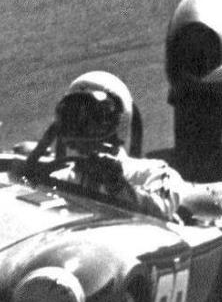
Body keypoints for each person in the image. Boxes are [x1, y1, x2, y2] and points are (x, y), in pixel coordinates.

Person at [49, 71, 190, 222]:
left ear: (117, 121)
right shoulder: (63, 178)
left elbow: (159, 214)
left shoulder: (154, 173)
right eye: (73, 117)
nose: (81, 127)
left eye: (94, 118)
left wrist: (117, 185)